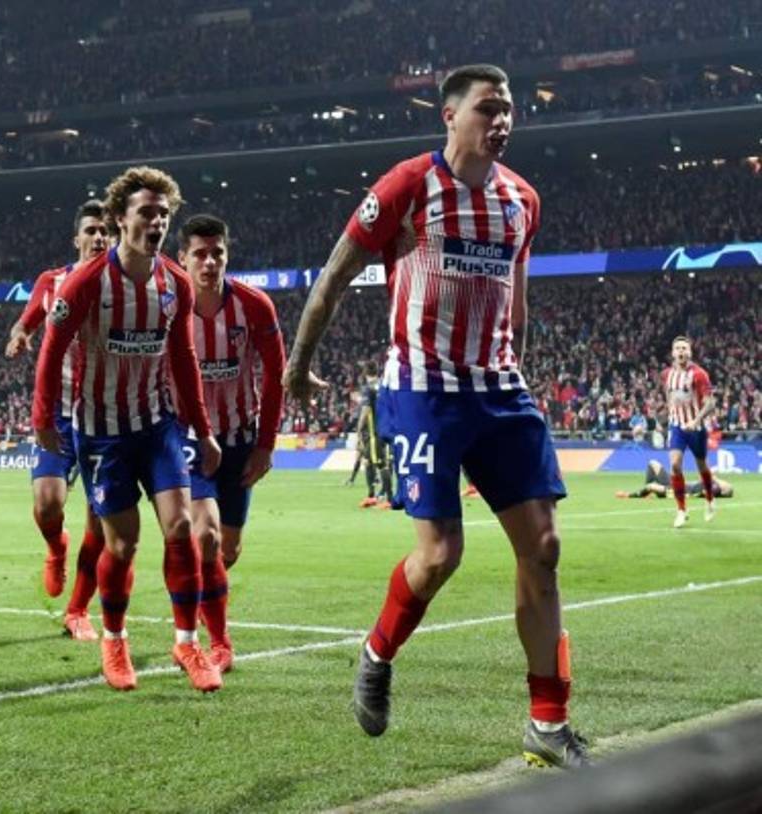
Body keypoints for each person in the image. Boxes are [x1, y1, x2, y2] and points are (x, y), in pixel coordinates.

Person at [283, 64, 588, 768]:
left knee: (543, 547)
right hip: (423, 390)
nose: (502, 120)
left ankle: (547, 723)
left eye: (510, 109)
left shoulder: (523, 202)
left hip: (500, 391)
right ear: (449, 116)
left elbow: (516, 300)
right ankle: (376, 652)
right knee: (441, 555)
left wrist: (518, 368)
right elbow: (333, 275)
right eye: (488, 108)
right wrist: (298, 366)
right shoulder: (407, 187)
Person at [33, 165, 223, 693]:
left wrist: (202, 431)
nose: (157, 222)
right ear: (120, 218)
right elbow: (50, 350)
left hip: (158, 424)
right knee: (122, 545)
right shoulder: (88, 282)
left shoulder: (174, 283)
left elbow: (184, 357)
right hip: (101, 433)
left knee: (180, 527)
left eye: (164, 214)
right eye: (147, 212)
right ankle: (114, 640)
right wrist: (43, 418)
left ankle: (187, 642)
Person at [175, 213, 285, 673]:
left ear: (227, 254)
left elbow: (276, 375)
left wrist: (265, 445)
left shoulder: (254, 306)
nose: (209, 261)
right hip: (188, 439)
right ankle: (213, 641)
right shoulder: (168, 306)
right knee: (206, 535)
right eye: (199, 253)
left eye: (216, 252)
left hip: (241, 437)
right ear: (182, 259)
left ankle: (193, 596)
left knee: (228, 550)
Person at [6, 199, 109, 640]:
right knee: (47, 504)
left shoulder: (123, 285)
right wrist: (19, 338)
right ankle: (56, 548)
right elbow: (24, 323)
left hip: (106, 419)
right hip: (61, 417)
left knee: (101, 521)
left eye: (106, 231)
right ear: (77, 238)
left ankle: (78, 610)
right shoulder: (51, 282)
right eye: (91, 230)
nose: (99, 237)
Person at [662, 336, 717, 528]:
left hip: (696, 427)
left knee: (701, 465)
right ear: (673, 352)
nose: (681, 351)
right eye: (677, 348)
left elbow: (710, 402)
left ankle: (710, 499)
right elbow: (668, 394)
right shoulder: (667, 374)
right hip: (677, 426)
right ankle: (681, 510)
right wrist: (669, 414)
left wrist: (696, 420)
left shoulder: (699, 374)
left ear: (690, 352)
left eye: (684, 348)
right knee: (675, 465)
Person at [351, 366, 392, 508]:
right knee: (367, 461)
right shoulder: (383, 385)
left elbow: (366, 409)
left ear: (365, 374)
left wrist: (359, 427)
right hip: (385, 428)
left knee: (381, 464)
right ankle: (371, 496)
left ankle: (389, 499)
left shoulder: (368, 388)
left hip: (374, 432)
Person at [615, 460, 734, 499]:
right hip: (676, 483)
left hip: (675, 491)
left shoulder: (714, 488)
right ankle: (647, 495)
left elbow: (727, 489)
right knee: (653, 464)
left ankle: (629, 495)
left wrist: (713, 477)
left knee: (650, 487)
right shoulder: (711, 482)